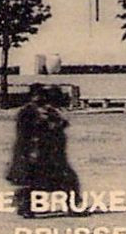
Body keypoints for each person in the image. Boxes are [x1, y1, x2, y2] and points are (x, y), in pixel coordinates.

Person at [8, 84, 80, 216]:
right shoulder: (32, 112)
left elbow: (61, 124)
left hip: (42, 153)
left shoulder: (39, 111)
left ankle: (28, 206)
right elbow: (42, 130)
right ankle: (29, 206)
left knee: (37, 182)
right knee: (65, 181)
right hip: (38, 153)